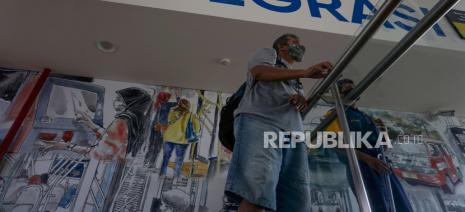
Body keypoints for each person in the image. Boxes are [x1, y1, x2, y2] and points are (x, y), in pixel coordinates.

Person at [224, 33, 333, 212]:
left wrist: (300, 99)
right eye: (295, 43)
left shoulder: (296, 80)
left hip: (293, 134)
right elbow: (260, 72)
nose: (300, 46)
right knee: (258, 191)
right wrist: (305, 72)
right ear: (282, 46)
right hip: (261, 122)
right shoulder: (269, 54)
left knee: (296, 198)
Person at [324, 79, 413, 212]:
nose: (354, 92)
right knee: (379, 207)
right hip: (362, 167)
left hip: (383, 165)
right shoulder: (333, 114)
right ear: (339, 94)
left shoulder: (368, 117)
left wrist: (385, 133)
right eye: (348, 89)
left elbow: (385, 147)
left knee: (402, 206)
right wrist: (369, 160)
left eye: (355, 89)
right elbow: (335, 145)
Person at [36, 87, 152, 160]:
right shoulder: (136, 120)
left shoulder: (122, 121)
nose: (115, 102)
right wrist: (91, 125)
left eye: (120, 100)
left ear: (130, 103)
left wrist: (63, 146)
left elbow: (98, 154)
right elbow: (114, 140)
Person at [159, 98, 200, 177]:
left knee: (166, 157)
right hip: (182, 140)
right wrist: (196, 132)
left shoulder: (172, 111)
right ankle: (176, 176)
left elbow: (169, 121)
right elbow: (197, 127)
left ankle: (162, 174)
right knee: (179, 159)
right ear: (188, 105)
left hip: (169, 138)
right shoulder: (191, 114)